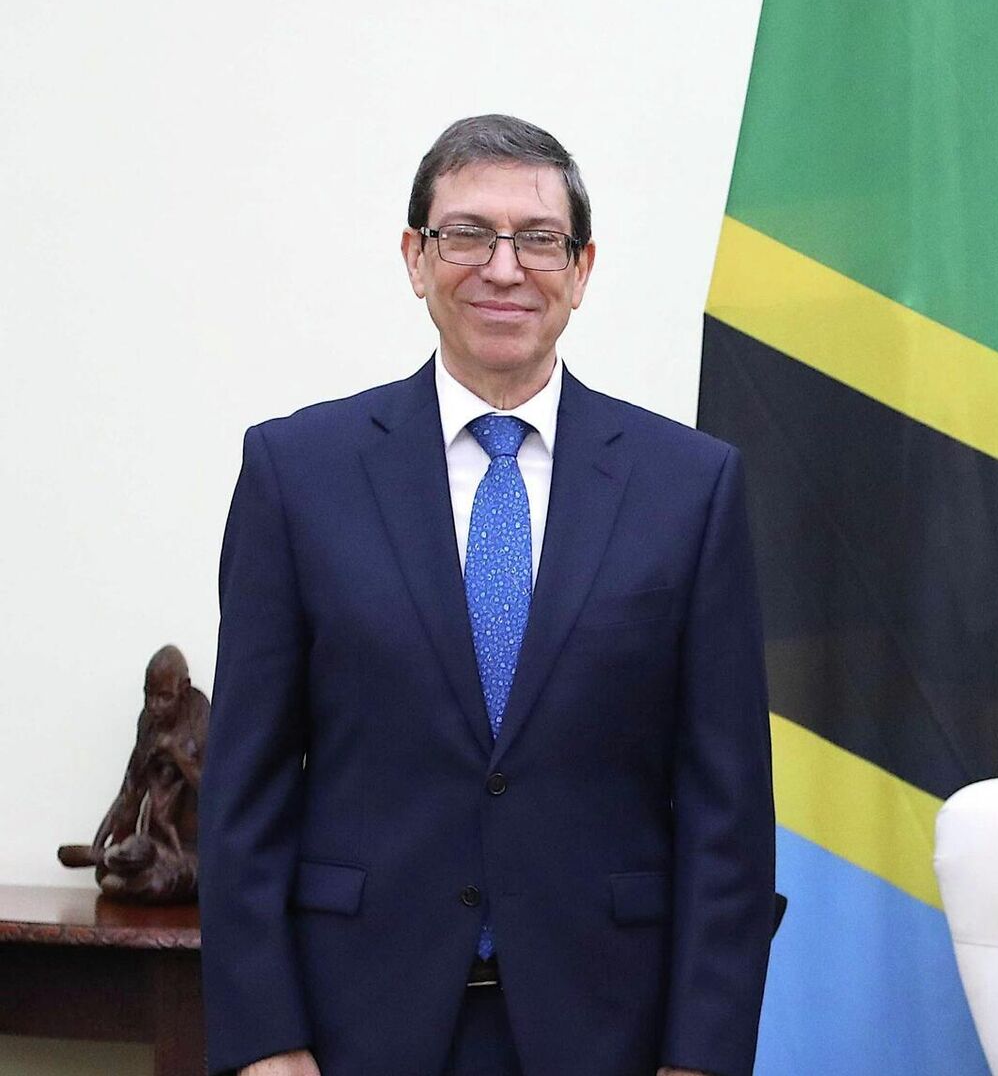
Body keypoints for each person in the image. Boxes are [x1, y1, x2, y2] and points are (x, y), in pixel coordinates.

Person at [199, 115, 776, 1076]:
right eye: (467, 234)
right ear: (415, 258)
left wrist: (701, 1055)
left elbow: (730, 813)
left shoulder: (690, 487)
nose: (503, 269)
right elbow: (244, 793)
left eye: (538, 239)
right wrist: (265, 1042)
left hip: (609, 1026)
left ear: (581, 270)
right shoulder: (297, 474)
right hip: (352, 1025)